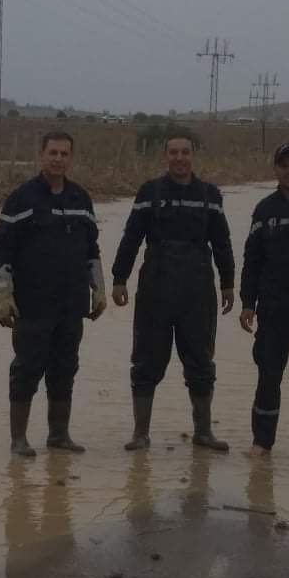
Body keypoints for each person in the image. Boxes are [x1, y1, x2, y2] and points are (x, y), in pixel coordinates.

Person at [111, 133, 235, 451]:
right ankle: (141, 434)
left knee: (201, 363)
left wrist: (227, 283)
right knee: (146, 363)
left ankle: (203, 433)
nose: (179, 158)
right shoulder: (149, 192)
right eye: (173, 152)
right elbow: (131, 238)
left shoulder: (210, 195)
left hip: (198, 291)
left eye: (185, 152)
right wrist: (119, 278)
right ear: (165, 156)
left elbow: (222, 243)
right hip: (156, 289)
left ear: (193, 155)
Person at [0, 131, 106, 456]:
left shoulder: (81, 199)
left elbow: (91, 248)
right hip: (33, 302)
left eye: (64, 154)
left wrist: (98, 288)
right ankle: (19, 439)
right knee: (27, 368)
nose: (58, 159)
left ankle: (59, 436)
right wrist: (3, 293)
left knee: (65, 368)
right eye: (52, 153)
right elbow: (1, 247)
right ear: (41, 156)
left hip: (71, 304)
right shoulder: (21, 198)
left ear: (72, 158)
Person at [240, 142, 289, 455]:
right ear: (275, 169)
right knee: (269, 375)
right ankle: (262, 442)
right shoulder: (264, 209)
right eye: (283, 164)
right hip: (274, 310)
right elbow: (252, 260)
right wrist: (247, 303)